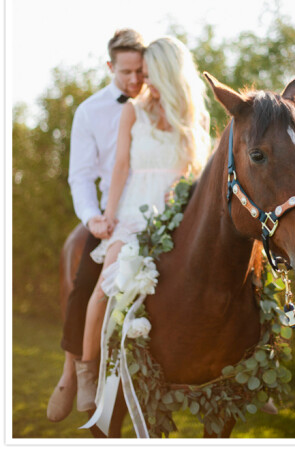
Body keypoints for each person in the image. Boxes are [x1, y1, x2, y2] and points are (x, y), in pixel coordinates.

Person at [74, 36, 210, 412]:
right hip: (134, 207)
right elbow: (120, 167)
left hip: (177, 210)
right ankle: (87, 375)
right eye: (139, 73)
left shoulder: (196, 115)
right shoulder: (134, 110)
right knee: (104, 288)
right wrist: (110, 214)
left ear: (168, 73)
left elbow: (198, 171)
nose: (142, 81)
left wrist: (182, 191)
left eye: (149, 74)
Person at [47, 29, 145, 422]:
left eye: (141, 71)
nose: (135, 81)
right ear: (110, 67)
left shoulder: (162, 102)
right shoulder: (89, 111)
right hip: (111, 213)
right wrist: (92, 217)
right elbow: (81, 175)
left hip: (158, 204)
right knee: (85, 281)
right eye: (126, 73)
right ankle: (72, 371)